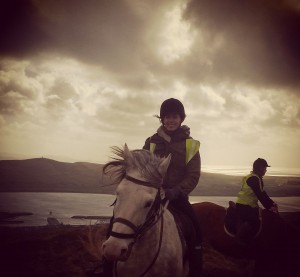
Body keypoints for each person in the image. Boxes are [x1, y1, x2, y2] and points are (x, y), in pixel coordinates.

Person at [143, 98, 203, 277]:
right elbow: (142, 167)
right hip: (152, 196)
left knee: (196, 231)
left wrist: (173, 192)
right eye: (167, 116)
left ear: (181, 118)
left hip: (177, 197)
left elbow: (193, 175)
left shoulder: (190, 145)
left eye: (175, 116)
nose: (171, 120)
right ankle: (108, 267)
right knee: (119, 222)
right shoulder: (151, 141)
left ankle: (196, 272)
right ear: (161, 119)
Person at [235, 158, 279, 244]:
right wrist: (269, 207)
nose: (265, 170)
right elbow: (260, 195)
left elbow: (263, 193)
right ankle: (239, 240)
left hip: (248, 205)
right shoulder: (254, 179)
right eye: (265, 168)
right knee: (254, 221)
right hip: (244, 206)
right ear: (260, 168)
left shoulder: (255, 178)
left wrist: (272, 203)